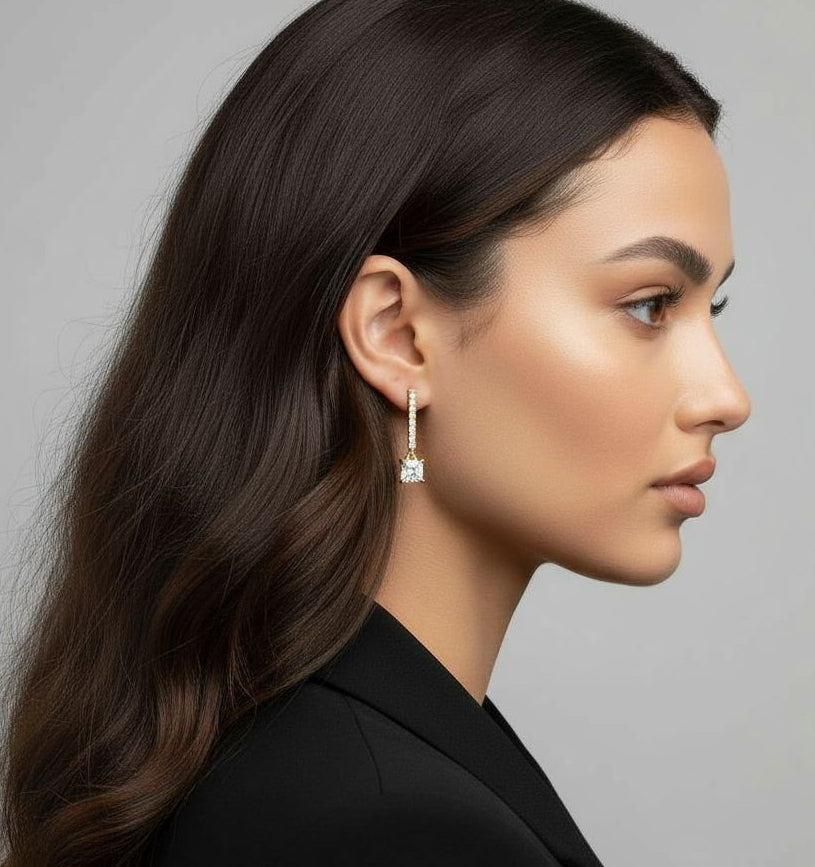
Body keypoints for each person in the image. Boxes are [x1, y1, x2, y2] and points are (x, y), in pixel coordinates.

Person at [0, 0, 751, 864]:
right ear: (395, 333)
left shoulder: (279, 747)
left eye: (712, 306)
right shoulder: (392, 825)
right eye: (650, 304)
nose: (725, 395)